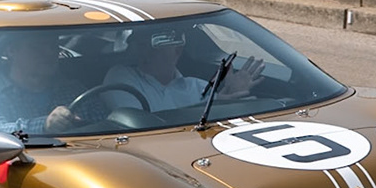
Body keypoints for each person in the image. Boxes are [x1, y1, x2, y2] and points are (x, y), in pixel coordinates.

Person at [103, 26, 265, 113]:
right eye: (139, 46)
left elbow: (218, 109)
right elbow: (137, 122)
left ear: (177, 51)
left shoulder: (197, 87)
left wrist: (230, 91)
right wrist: (209, 107)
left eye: (154, 46)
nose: (144, 53)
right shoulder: (121, 77)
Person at [0, 32, 77, 133]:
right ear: (11, 51)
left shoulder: (72, 89)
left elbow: (95, 117)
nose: (50, 52)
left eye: (53, 46)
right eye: (37, 47)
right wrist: (44, 125)